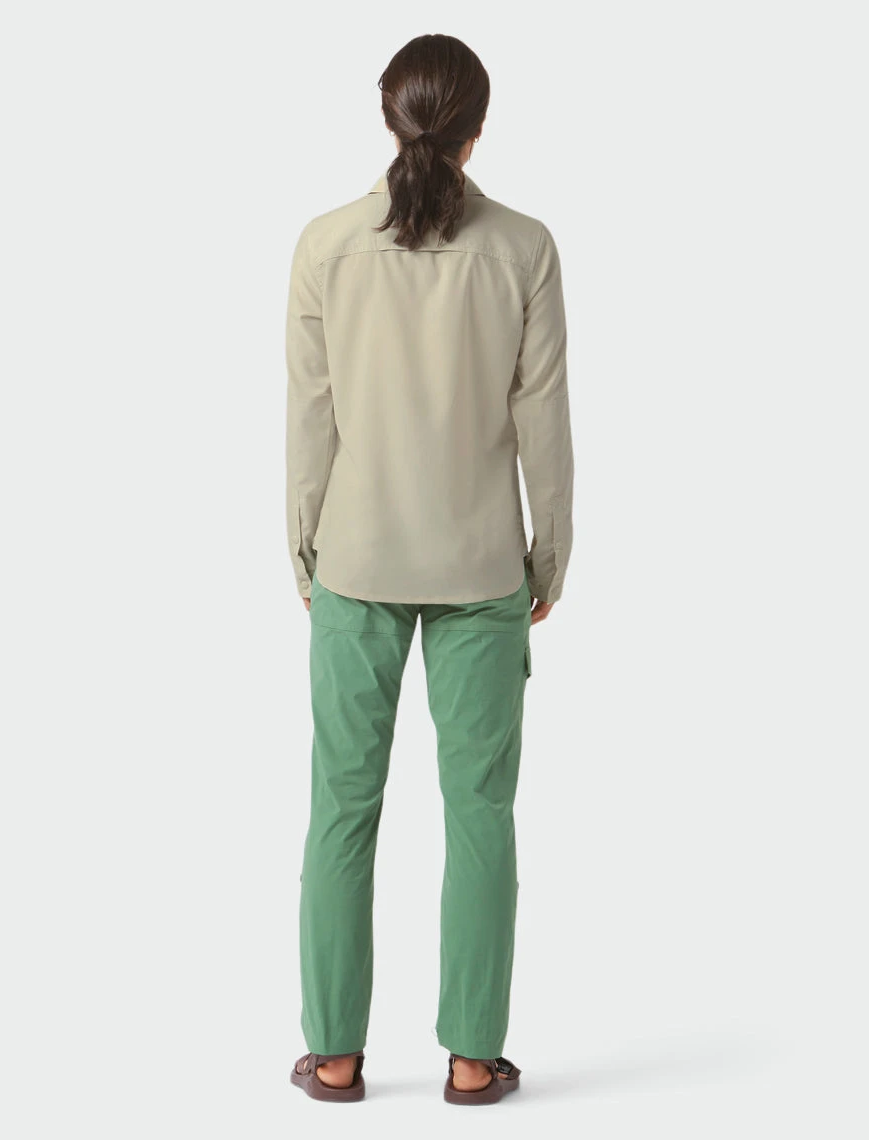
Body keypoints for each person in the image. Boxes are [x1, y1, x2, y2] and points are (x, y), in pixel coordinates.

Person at [285, 33, 574, 1105]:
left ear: (388, 116)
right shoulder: (525, 248)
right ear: (477, 129)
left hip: (356, 561)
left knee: (340, 808)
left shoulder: (324, 246)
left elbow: (309, 418)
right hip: (481, 567)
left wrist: (305, 550)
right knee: (480, 812)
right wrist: (549, 555)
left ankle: (334, 1056)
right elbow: (542, 420)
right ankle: (470, 1059)